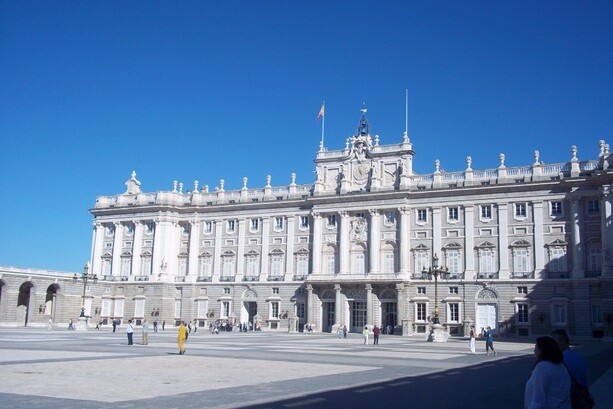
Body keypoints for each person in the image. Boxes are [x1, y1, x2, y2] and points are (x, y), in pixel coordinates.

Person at [524, 336, 571, 409]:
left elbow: (538, 398)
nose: (534, 350)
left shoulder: (542, 367)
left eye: (536, 347)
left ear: (542, 350)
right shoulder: (562, 366)